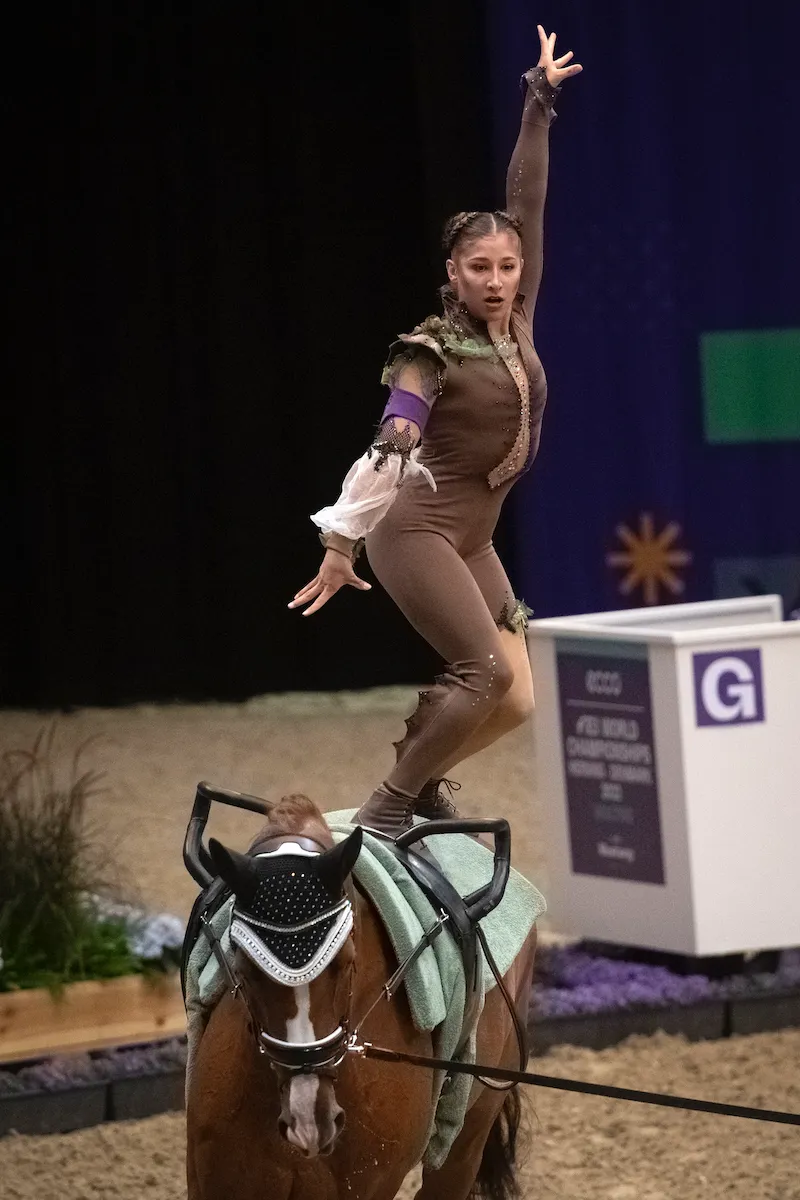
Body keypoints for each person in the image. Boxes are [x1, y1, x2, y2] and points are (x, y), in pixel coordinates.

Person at [290, 26, 582, 836]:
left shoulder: (518, 318)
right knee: (482, 673)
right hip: (415, 528)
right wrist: (342, 539)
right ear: (452, 273)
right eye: (479, 268)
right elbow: (393, 438)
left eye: (508, 266)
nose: (496, 279)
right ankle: (385, 818)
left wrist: (537, 100)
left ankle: (415, 786)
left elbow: (526, 202)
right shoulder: (428, 348)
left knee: (518, 695)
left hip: (473, 536)